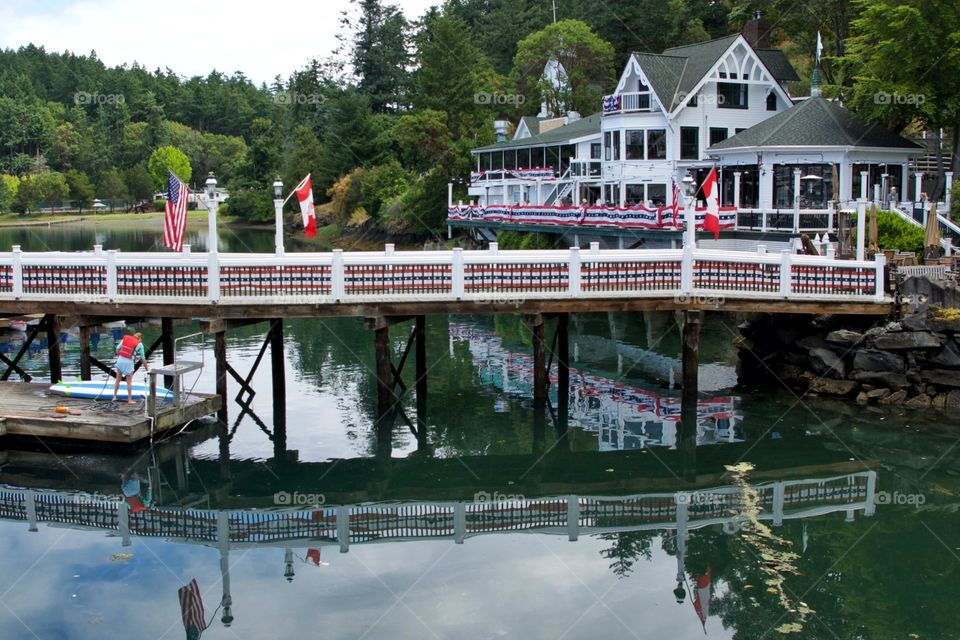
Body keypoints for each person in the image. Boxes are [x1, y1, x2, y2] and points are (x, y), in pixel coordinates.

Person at [112, 331, 149, 404]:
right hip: (129, 363)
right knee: (129, 382)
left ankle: (114, 397)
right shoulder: (140, 344)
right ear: (140, 338)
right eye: (141, 339)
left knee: (117, 380)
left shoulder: (125, 339)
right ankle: (130, 400)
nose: (141, 340)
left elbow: (118, 348)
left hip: (120, 360)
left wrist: (119, 355)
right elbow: (143, 358)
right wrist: (147, 369)